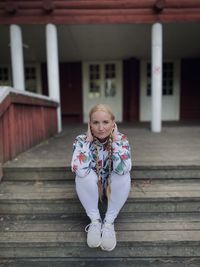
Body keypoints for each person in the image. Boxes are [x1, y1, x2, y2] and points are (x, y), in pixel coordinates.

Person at [71, 103, 132, 251]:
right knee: (83, 176)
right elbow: (77, 169)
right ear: (89, 124)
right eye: (95, 122)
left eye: (105, 122)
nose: (100, 127)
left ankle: (108, 223)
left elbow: (124, 168)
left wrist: (116, 141)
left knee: (123, 174)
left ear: (113, 123)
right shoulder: (81, 140)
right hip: (92, 188)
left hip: (113, 187)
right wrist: (88, 141)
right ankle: (95, 221)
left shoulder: (122, 139)